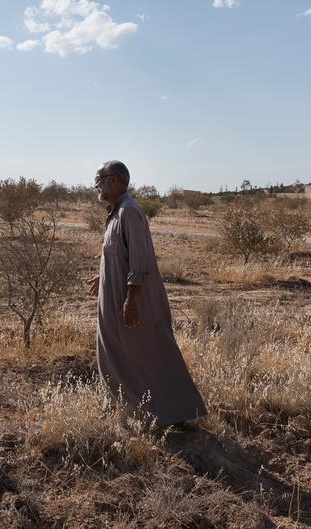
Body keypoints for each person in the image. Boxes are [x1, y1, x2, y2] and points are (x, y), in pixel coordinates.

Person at [87, 160, 207, 427]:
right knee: (117, 354)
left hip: (130, 301)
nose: (97, 184)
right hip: (115, 297)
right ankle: (129, 410)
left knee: (151, 353)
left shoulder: (129, 211)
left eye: (101, 178)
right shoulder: (115, 212)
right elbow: (119, 254)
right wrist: (104, 274)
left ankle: (175, 413)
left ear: (116, 180)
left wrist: (133, 298)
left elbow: (140, 260)